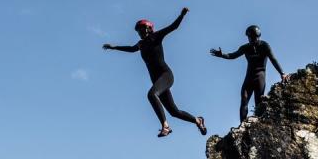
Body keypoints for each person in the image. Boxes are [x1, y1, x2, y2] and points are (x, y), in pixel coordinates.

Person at [103, 8, 206, 138]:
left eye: (141, 29)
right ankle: (198, 120)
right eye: (138, 31)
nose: (140, 33)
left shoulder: (156, 36)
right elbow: (130, 49)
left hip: (166, 75)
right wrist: (114, 47)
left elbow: (173, 27)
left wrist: (182, 15)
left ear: (148, 29)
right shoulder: (140, 44)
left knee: (151, 94)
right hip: (157, 80)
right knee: (174, 111)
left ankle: (165, 126)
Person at [210, 25, 288, 123]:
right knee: (244, 100)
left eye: (254, 37)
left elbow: (273, 59)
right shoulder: (245, 48)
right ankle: (242, 124)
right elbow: (233, 55)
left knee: (258, 103)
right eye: (250, 37)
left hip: (260, 77)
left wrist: (282, 73)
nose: (251, 39)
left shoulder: (265, 46)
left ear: (258, 36)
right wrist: (222, 55)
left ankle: (259, 124)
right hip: (249, 78)